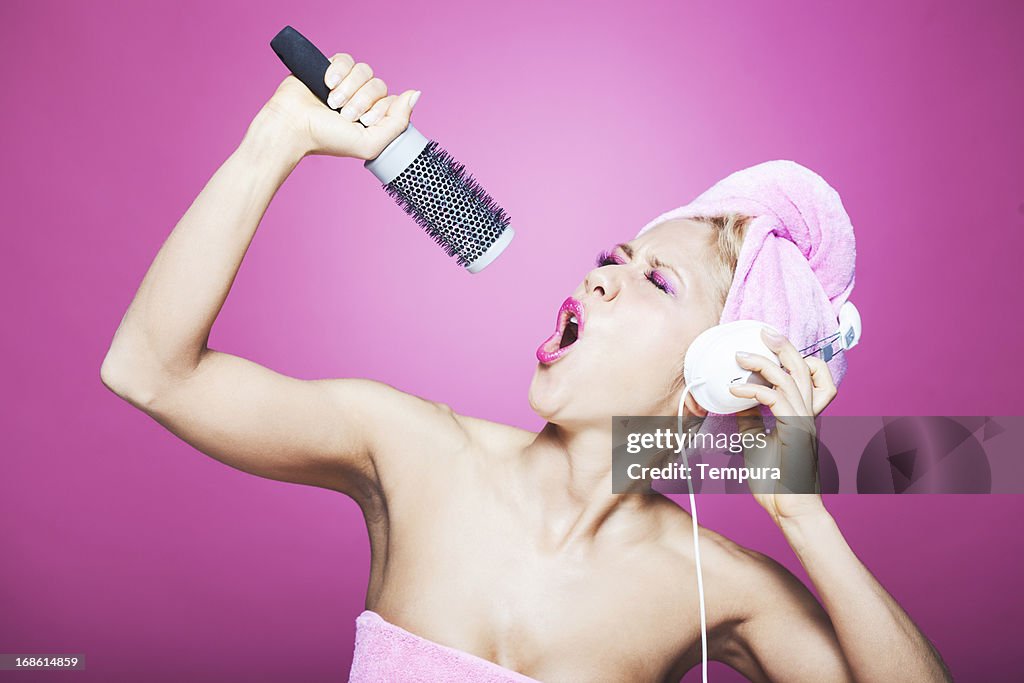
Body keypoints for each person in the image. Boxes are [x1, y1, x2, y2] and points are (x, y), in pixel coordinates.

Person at [100, 52, 952, 682]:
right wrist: (276, 138)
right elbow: (150, 369)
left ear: (719, 370)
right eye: (612, 256)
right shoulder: (413, 450)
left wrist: (803, 516)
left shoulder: (717, 587)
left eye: (655, 279)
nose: (599, 275)